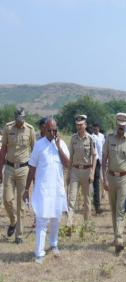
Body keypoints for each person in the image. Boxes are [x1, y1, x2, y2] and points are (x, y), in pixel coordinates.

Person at [22, 118, 70, 264]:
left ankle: (54, 244)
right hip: (43, 190)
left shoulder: (61, 144)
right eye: (49, 130)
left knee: (56, 218)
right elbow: (32, 168)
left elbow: (67, 164)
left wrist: (58, 147)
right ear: (44, 129)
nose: (52, 132)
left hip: (57, 189)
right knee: (42, 220)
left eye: (54, 130)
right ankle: (39, 253)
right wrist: (26, 189)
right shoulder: (38, 145)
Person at [102, 113, 126, 256]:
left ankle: (119, 239)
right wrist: (104, 178)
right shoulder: (109, 139)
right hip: (111, 177)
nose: (121, 129)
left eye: (124, 126)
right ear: (116, 125)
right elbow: (104, 158)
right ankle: (117, 236)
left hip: (124, 178)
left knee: (120, 209)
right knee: (114, 209)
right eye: (119, 126)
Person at [0, 108, 36, 244]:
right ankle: (13, 220)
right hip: (9, 168)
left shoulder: (30, 130)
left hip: (24, 169)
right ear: (15, 118)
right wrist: (0, 169)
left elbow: (35, 151)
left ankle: (19, 235)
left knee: (21, 203)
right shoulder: (8, 128)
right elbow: (3, 149)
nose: (21, 121)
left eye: (23, 118)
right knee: (7, 199)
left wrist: (34, 173)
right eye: (19, 119)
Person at [67, 115, 97, 226]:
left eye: (81, 125)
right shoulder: (73, 138)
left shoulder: (90, 139)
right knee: (71, 198)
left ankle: (87, 224)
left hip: (86, 171)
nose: (79, 127)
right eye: (77, 125)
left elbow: (94, 156)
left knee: (87, 200)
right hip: (75, 170)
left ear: (85, 125)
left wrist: (92, 173)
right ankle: (69, 224)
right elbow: (71, 157)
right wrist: (69, 173)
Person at [91, 123, 105, 214]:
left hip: (101, 161)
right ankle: (95, 204)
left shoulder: (102, 136)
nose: (96, 130)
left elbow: (103, 148)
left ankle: (98, 204)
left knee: (100, 181)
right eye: (94, 129)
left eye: (97, 129)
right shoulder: (91, 137)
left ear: (99, 128)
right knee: (95, 183)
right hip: (94, 161)